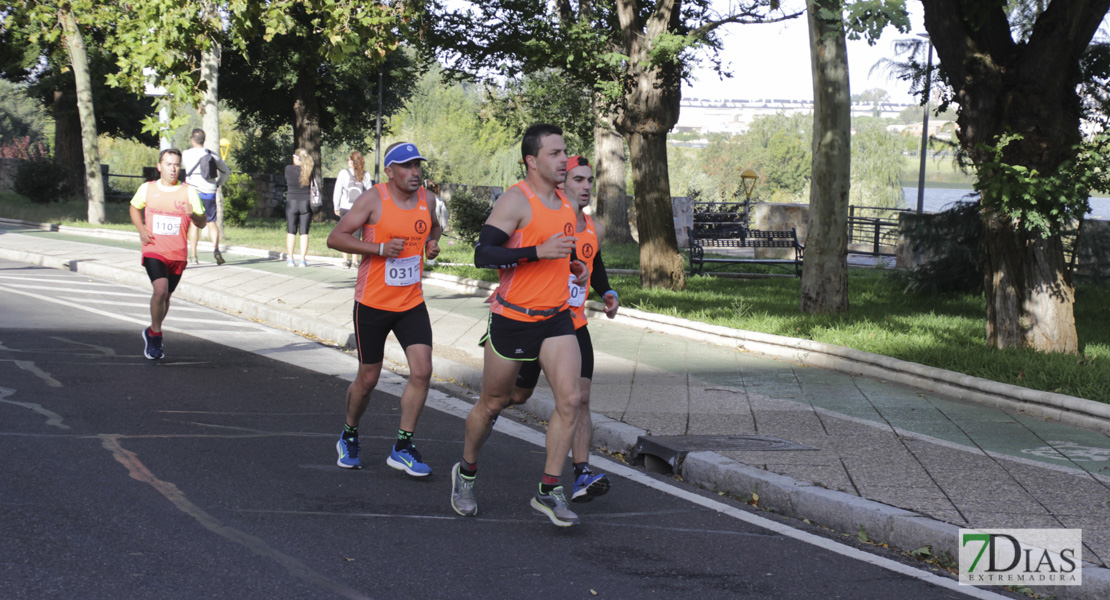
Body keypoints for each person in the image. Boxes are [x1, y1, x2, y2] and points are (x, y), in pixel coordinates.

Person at [451, 123, 589, 527]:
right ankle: (466, 472)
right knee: (493, 403)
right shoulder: (518, 199)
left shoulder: (567, 203)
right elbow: (483, 253)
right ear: (532, 160)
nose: (564, 160)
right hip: (513, 318)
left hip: (556, 318)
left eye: (565, 152)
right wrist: (535, 251)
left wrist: (574, 265)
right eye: (555, 153)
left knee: (571, 401)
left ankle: (548, 489)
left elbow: (558, 253)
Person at [507, 155, 620, 503]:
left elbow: (593, 261)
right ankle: (486, 415)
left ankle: (581, 471)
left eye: (589, 180)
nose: (586, 187)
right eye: (578, 180)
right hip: (536, 322)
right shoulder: (546, 220)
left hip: (573, 325)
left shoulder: (594, 227)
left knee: (579, 398)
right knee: (514, 396)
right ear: (561, 183)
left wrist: (608, 291)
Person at [326, 142, 442, 476]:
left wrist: (432, 244)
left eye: (417, 165)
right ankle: (349, 434)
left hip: (411, 303)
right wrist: (377, 247)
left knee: (421, 371)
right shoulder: (373, 199)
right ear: (390, 171)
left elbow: (434, 226)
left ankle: (403, 446)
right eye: (406, 166)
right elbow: (336, 237)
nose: (415, 172)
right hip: (372, 304)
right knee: (369, 377)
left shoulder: (427, 200)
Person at [129, 148, 206, 360]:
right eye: (168, 164)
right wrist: (141, 230)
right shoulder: (148, 188)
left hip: (177, 253)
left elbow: (202, 222)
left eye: (176, 165)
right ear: (159, 166)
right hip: (154, 249)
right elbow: (134, 208)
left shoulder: (188, 191)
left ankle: (152, 329)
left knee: (167, 296)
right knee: (160, 290)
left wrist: (194, 214)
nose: (172, 169)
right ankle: (156, 335)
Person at [182, 128, 230, 265]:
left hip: (193, 191)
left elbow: (184, 167)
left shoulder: (186, 154)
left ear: (192, 139)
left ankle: (193, 256)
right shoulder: (213, 155)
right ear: (204, 140)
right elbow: (226, 172)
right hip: (209, 191)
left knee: (194, 222)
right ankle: (216, 249)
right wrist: (218, 184)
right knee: (211, 221)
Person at [332, 151, 373, 269]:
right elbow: (369, 193)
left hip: (345, 207)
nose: (348, 162)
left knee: (344, 233)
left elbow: (338, 191)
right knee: (356, 235)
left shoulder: (343, 173)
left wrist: (336, 206)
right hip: (358, 209)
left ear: (352, 161)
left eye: (349, 159)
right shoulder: (366, 175)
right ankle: (355, 262)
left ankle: (345, 260)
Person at [284, 148, 317, 267]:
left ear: (297, 158)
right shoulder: (309, 170)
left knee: (291, 231)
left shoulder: (288, 169)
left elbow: (287, 181)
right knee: (304, 232)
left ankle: (290, 259)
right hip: (305, 203)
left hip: (292, 202)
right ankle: (302, 259)